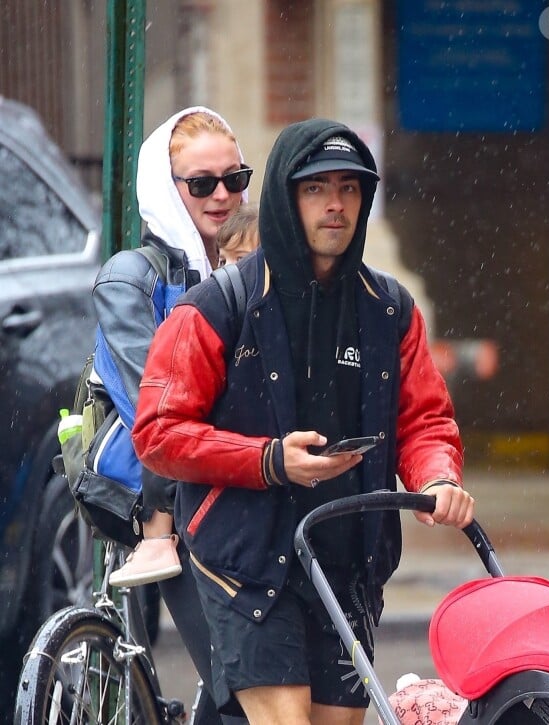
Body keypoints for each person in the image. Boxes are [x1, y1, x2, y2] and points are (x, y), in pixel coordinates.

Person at [132, 119, 474, 725]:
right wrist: (268, 460)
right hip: (244, 564)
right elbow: (157, 433)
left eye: (349, 188)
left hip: (347, 560)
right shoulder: (218, 306)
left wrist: (438, 478)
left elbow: (424, 420)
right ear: (287, 200)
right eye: (317, 189)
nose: (336, 205)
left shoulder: (389, 308)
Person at [92, 105, 251, 724]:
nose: (221, 196)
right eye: (201, 183)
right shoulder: (130, 278)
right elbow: (159, 409)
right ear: (166, 187)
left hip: (244, 488)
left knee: (264, 677)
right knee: (243, 681)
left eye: (233, 179)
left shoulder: (252, 267)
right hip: (163, 498)